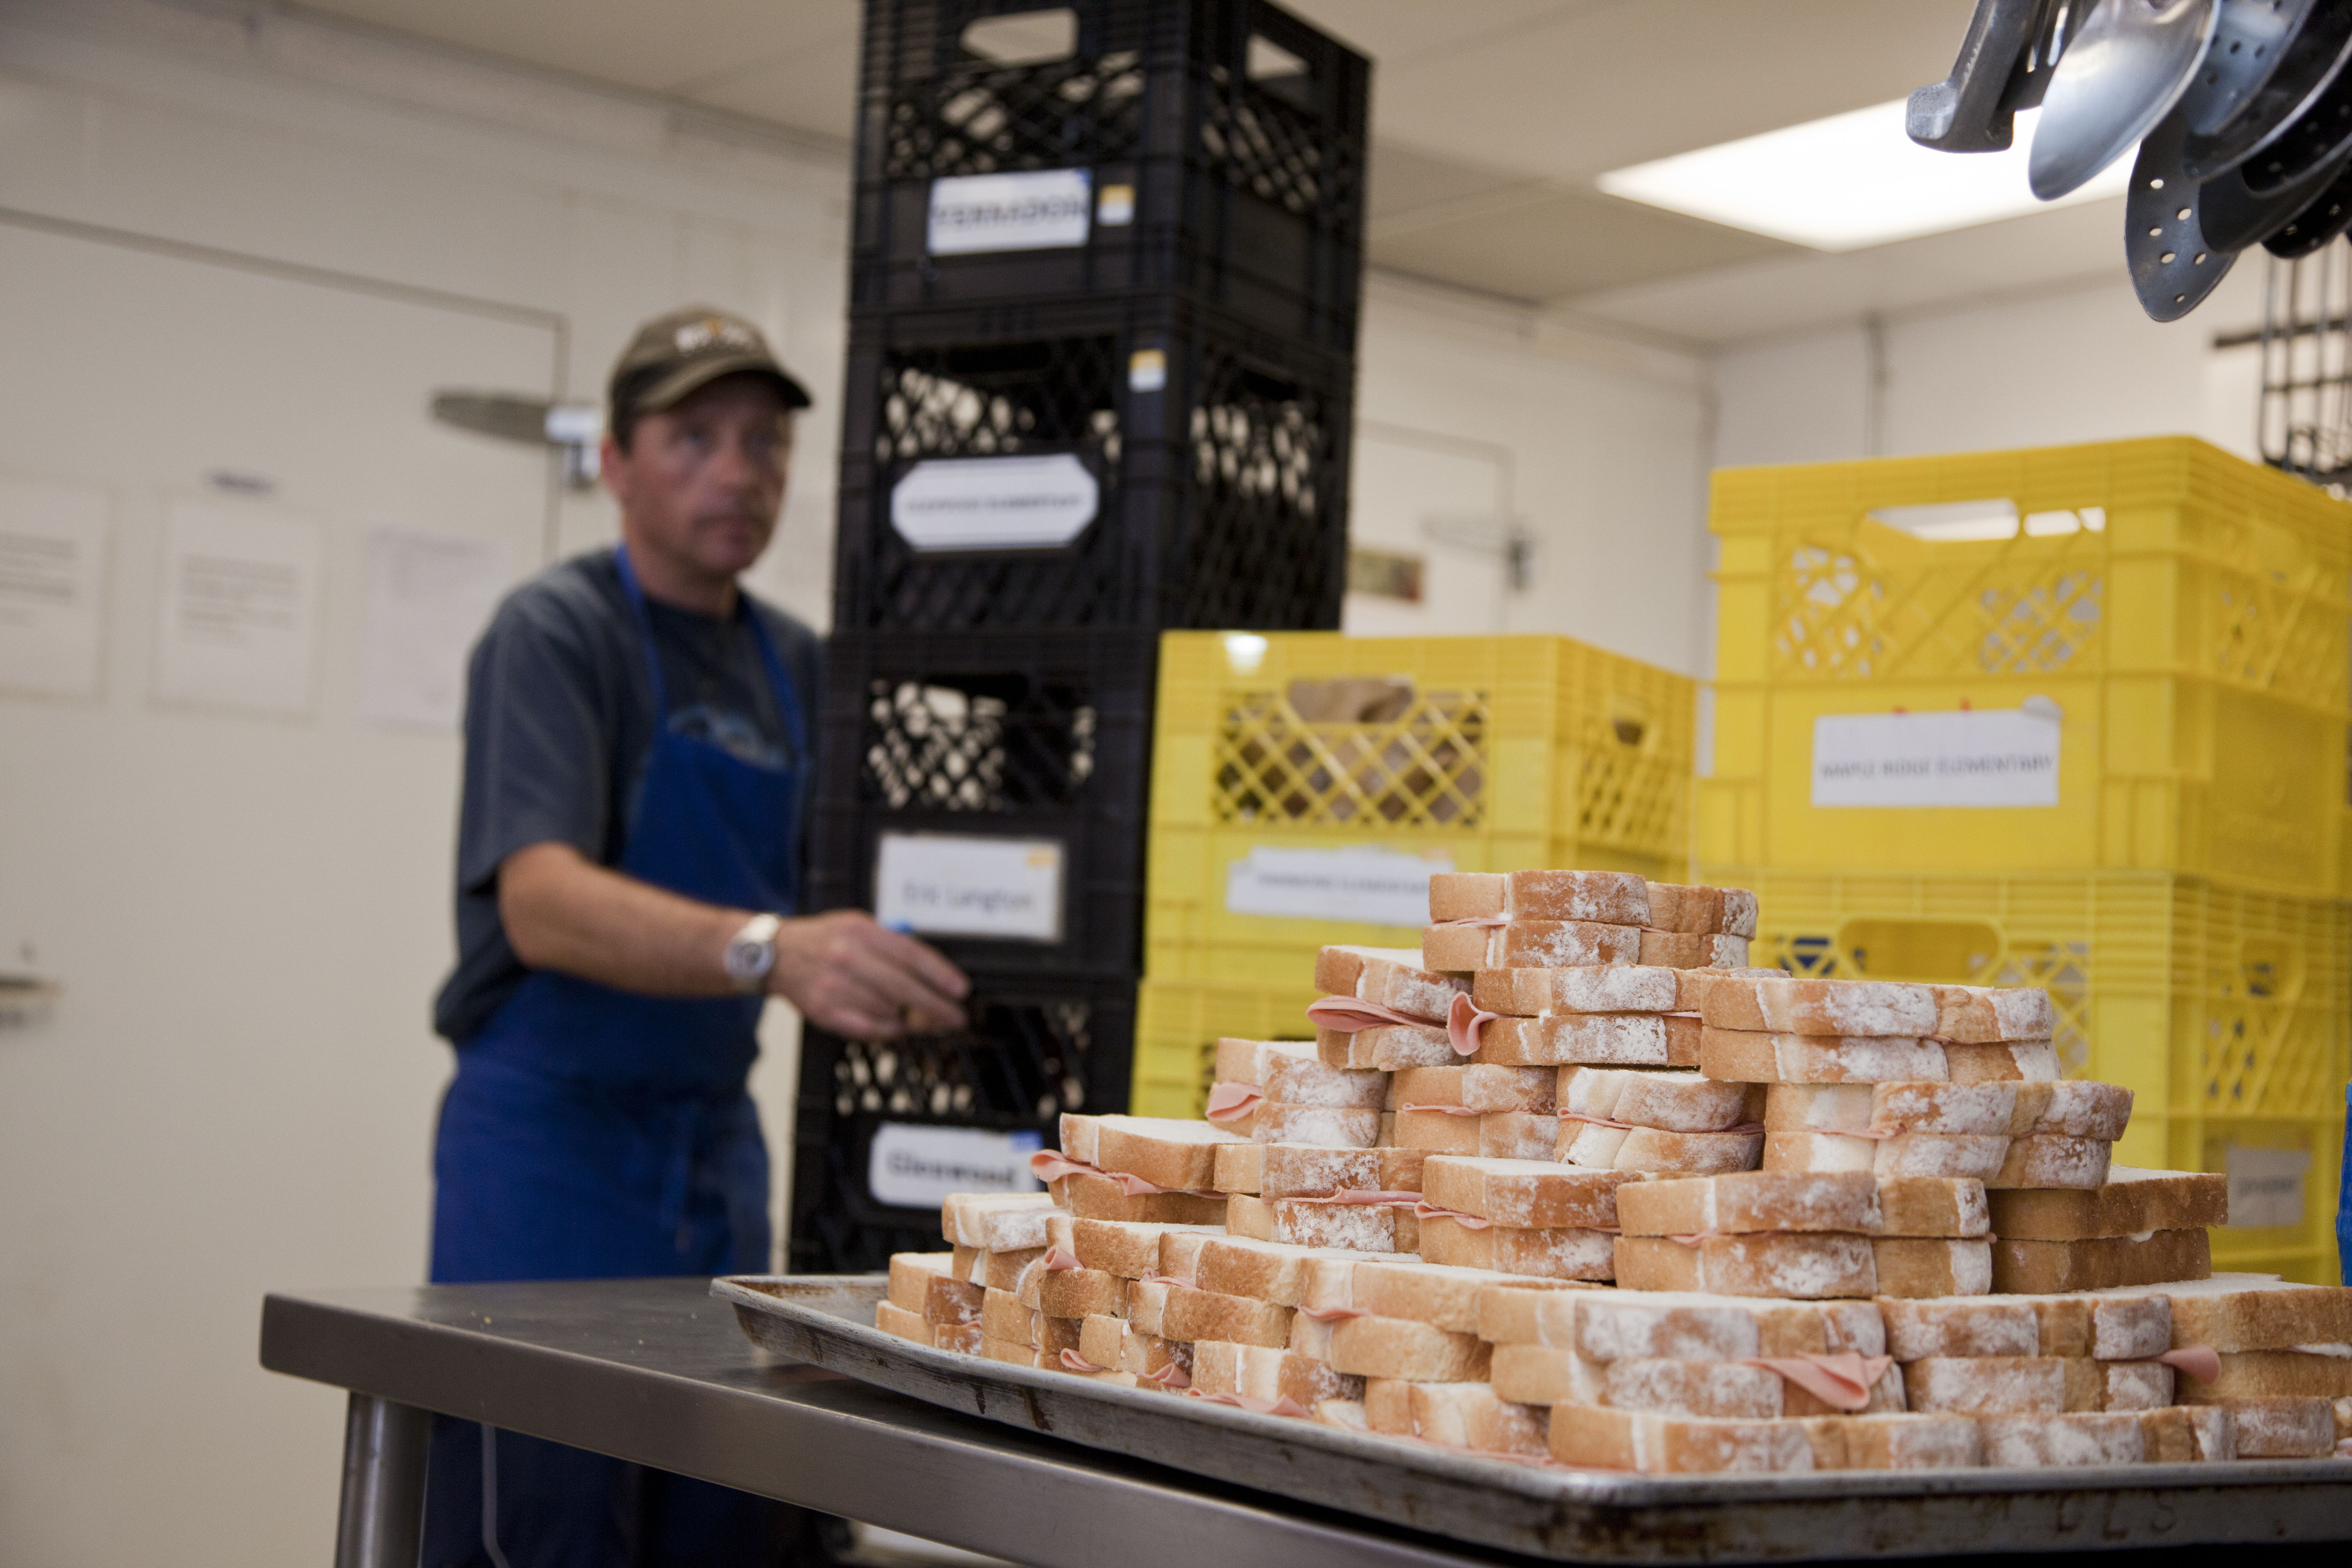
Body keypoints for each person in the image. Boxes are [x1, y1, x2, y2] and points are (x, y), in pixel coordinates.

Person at [421, 305, 970, 1567]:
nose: (740, 472)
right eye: (695, 439)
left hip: (716, 1155)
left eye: (765, 443)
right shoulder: (555, 635)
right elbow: (541, 901)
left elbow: (858, 893)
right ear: (614, 463)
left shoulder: (800, 666)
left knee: (721, 1506)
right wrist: (773, 951)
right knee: (541, 1513)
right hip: (548, 1156)